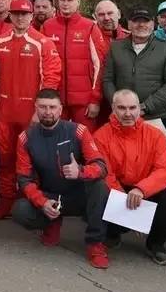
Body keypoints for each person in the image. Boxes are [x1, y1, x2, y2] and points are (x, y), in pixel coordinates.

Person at [13, 89, 110, 268]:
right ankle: (52, 221)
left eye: (52, 107)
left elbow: (101, 167)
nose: (47, 112)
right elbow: (24, 179)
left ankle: (95, 244)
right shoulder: (25, 138)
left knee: (100, 187)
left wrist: (80, 171)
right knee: (20, 209)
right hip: (50, 196)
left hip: (79, 195)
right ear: (35, 108)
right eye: (42, 107)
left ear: (60, 109)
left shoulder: (79, 131)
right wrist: (43, 202)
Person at [0, 0, 62, 221]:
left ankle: (31, 200)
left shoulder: (43, 43)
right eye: (16, 14)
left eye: (25, 14)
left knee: (33, 159)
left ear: (31, 16)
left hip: (31, 113)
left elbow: (51, 79)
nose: (20, 18)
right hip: (4, 111)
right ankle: (6, 200)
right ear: (10, 15)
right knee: (5, 157)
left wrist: (40, 111)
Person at [93, 90, 166, 265]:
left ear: (139, 109)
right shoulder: (100, 136)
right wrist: (128, 207)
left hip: (144, 189)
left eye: (132, 108)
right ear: (113, 108)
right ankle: (112, 233)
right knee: (99, 188)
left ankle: (156, 244)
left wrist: (142, 189)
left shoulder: (155, 135)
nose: (128, 113)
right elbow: (104, 173)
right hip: (117, 189)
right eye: (122, 108)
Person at [102, 7, 166, 131]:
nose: (141, 25)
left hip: (155, 118)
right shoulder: (116, 48)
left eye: (146, 21)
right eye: (136, 21)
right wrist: (120, 106)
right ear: (129, 24)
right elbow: (107, 80)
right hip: (122, 117)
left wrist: (144, 107)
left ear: (153, 23)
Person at [41, 0, 107, 130]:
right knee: (56, 139)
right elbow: (41, 64)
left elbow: (100, 66)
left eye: (69, 0)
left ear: (78, 1)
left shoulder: (90, 27)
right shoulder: (47, 26)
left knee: (85, 139)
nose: (65, 3)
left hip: (84, 102)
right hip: (55, 100)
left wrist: (95, 99)